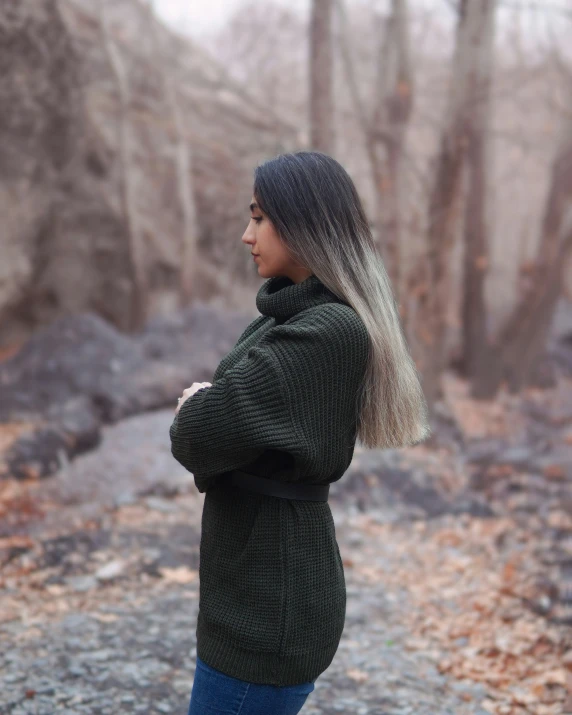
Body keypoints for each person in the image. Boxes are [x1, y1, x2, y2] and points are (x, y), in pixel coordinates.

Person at [169, 150, 431, 715]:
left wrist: (200, 408)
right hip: (249, 587)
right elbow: (218, 432)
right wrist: (210, 418)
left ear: (305, 223)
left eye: (260, 218)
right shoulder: (279, 320)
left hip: (270, 607)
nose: (247, 234)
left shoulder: (327, 331)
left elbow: (199, 435)